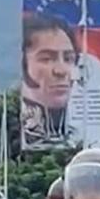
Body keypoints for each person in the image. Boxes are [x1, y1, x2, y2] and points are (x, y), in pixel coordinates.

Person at [21, 14, 79, 147]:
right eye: (46, 59)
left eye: (68, 59)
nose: (60, 71)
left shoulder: (81, 134)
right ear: (24, 64)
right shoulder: (24, 131)